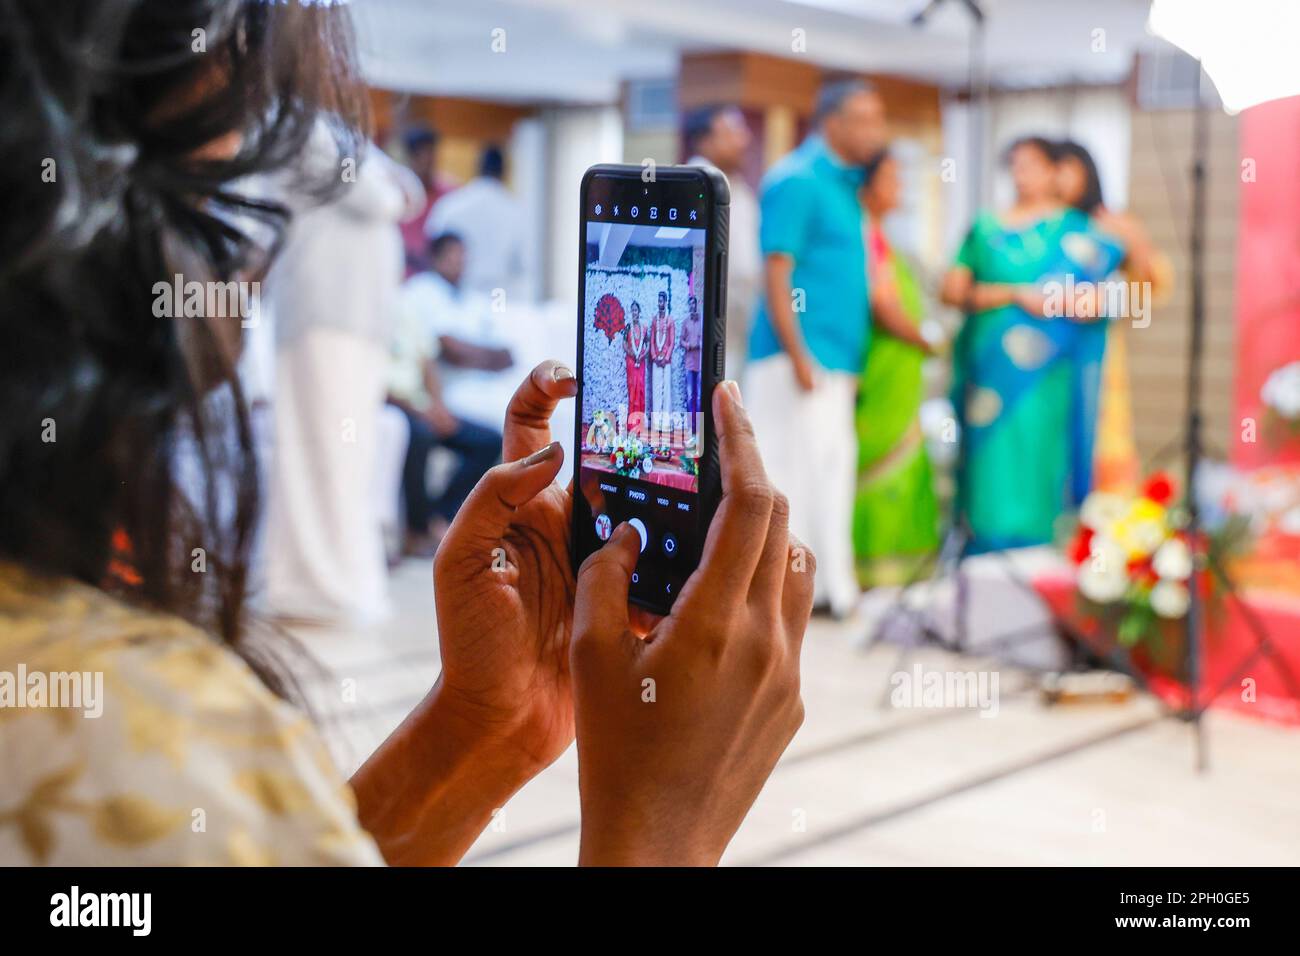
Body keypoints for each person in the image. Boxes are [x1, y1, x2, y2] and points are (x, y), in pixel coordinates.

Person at [1, 0, 811, 867]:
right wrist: (658, 830)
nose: (240, 277)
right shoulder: (137, 749)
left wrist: (483, 724)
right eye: (224, 198)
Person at [263, 131, 425, 627]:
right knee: (322, 455)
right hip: (324, 319)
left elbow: (411, 193)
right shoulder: (305, 128)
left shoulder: (341, 134)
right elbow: (381, 197)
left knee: (348, 457)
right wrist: (388, 178)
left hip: (355, 324)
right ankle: (313, 585)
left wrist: (390, 179)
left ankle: (335, 581)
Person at [940, 137, 1126, 553]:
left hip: (1048, 373)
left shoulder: (1079, 232)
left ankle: (1038, 553)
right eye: (1017, 165)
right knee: (990, 464)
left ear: (1054, 171)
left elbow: (1121, 296)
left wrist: (1077, 303)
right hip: (990, 373)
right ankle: (982, 549)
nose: (1023, 175)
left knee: (1041, 456)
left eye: (1034, 165)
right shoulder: (986, 228)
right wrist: (1015, 295)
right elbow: (952, 291)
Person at [745, 78, 887, 618]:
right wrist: (799, 355)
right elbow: (777, 271)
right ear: (832, 122)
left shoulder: (846, 186)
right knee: (789, 480)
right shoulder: (797, 179)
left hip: (833, 360)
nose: (876, 132)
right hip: (795, 359)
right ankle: (784, 598)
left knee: (829, 475)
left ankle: (826, 592)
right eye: (866, 119)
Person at [1055, 139, 1168, 496]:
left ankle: (1097, 522)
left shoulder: (1108, 226)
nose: (1059, 178)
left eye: (1067, 169)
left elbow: (1151, 287)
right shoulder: (1039, 228)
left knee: (1099, 436)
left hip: (1097, 352)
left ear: (1087, 173)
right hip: (1044, 351)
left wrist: (1135, 242)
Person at [852, 151, 941, 586]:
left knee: (905, 456)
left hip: (899, 371)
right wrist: (928, 340)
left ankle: (900, 569)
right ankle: (872, 567)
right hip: (881, 366)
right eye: (890, 178)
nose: (899, 186)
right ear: (865, 185)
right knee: (881, 457)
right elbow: (883, 305)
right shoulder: (862, 235)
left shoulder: (883, 237)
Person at [388, 234, 503, 558]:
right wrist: (423, 411)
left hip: (422, 404)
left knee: (488, 441)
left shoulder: (405, 305)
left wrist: (437, 407)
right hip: (394, 404)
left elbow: (427, 361)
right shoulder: (381, 306)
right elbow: (378, 380)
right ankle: (415, 532)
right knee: (420, 435)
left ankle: (440, 517)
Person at [684, 104, 761, 381]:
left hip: (739, 335)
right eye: (732, 133)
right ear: (704, 140)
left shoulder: (741, 191)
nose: (743, 140)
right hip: (704, 333)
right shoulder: (690, 187)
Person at [424, 144, 526, 299]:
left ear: (478, 168)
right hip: (498, 294)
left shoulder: (452, 204)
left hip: (458, 292)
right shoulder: (515, 210)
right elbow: (523, 262)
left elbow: (432, 247)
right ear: (504, 172)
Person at [399, 125, 451, 276]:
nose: (428, 161)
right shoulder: (398, 194)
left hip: (438, 282)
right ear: (411, 158)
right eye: (422, 155)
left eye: (432, 153)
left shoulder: (449, 195)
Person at [648, 290, 676, 448]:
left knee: (666, 392)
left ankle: (665, 424)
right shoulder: (654, 320)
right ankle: (656, 424)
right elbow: (652, 341)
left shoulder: (670, 320)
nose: (660, 304)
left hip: (666, 360)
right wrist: (654, 356)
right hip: (656, 360)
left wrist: (666, 357)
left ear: (666, 302)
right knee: (656, 390)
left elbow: (672, 342)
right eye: (658, 301)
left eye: (662, 301)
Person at [623, 300, 649, 436]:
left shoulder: (644, 328)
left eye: (636, 310)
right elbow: (624, 344)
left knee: (640, 390)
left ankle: (640, 423)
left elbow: (647, 344)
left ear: (639, 312)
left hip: (641, 362)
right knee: (632, 390)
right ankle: (632, 423)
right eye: (632, 310)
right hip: (631, 362)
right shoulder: (628, 327)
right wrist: (632, 354)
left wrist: (643, 355)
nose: (634, 312)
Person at [681, 294, 705, 438]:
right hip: (689, 364)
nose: (692, 307)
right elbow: (681, 340)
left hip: (700, 364)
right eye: (690, 304)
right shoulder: (685, 322)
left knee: (700, 396)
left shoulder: (702, 322)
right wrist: (688, 345)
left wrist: (699, 344)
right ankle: (691, 427)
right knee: (690, 396)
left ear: (696, 305)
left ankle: (700, 428)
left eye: (693, 304)